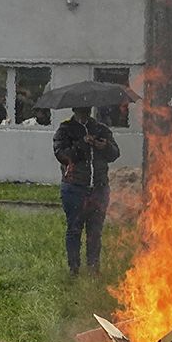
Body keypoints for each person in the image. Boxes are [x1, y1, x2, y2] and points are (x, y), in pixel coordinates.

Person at [52, 105, 121, 275]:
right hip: (74, 187)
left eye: (87, 110)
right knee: (74, 229)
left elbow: (114, 154)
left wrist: (104, 146)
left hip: (99, 188)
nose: (84, 114)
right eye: (81, 111)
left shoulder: (101, 129)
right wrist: (82, 144)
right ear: (75, 111)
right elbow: (62, 155)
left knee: (95, 231)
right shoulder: (65, 129)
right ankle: (74, 268)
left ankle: (93, 268)